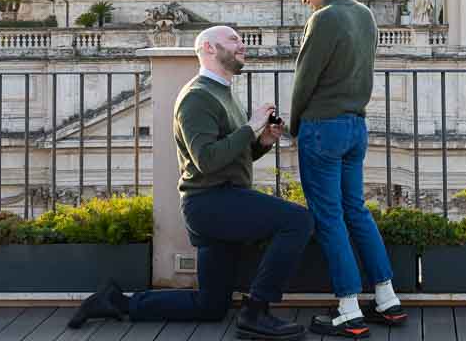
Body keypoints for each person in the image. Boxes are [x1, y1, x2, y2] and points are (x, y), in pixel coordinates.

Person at [68, 25, 312, 340]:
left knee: (210, 306)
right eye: (233, 40)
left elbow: (232, 157)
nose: (242, 45)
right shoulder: (197, 97)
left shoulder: (223, 93)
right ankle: (256, 311)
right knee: (298, 221)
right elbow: (207, 160)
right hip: (211, 203)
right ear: (209, 49)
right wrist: (251, 126)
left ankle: (117, 302)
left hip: (221, 200)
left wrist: (262, 140)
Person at [287, 0, 407, 338]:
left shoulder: (324, 20)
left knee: (329, 217)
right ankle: (387, 299)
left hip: (322, 128)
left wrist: (292, 125)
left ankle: (349, 308)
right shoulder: (365, 15)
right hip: (356, 126)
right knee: (356, 210)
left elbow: (304, 80)